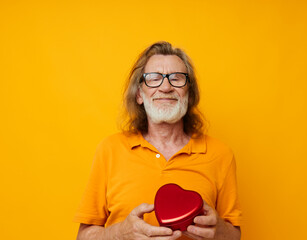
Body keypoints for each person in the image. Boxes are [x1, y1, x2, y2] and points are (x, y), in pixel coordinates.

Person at [74, 41, 242, 240]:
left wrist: (217, 230)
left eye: (177, 78)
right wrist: (120, 233)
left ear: (189, 94)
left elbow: (234, 236)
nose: (166, 86)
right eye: (154, 79)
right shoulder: (110, 150)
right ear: (139, 94)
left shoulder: (220, 154)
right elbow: (83, 236)